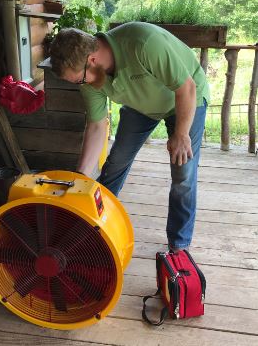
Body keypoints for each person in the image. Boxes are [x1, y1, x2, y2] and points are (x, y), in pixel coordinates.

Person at [50, 21, 209, 252]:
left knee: (183, 171)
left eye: (78, 80)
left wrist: (181, 134)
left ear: (92, 60)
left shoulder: (143, 44)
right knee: (115, 164)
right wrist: (81, 178)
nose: (81, 85)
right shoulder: (89, 77)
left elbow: (186, 88)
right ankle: (93, 227)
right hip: (140, 106)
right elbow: (96, 125)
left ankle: (179, 246)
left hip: (184, 99)